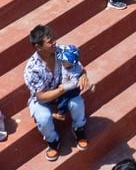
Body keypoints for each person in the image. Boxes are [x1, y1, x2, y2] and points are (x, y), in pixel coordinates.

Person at [24, 23, 92, 160]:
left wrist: (83, 75)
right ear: (38, 47)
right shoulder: (32, 68)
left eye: (53, 39)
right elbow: (41, 97)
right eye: (50, 42)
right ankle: (53, 140)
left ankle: (79, 129)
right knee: (43, 118)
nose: (54, 43)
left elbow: (77, 65)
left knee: (77, 103)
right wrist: (63, 88)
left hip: (63, 95)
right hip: (44, 99)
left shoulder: (61, 51)